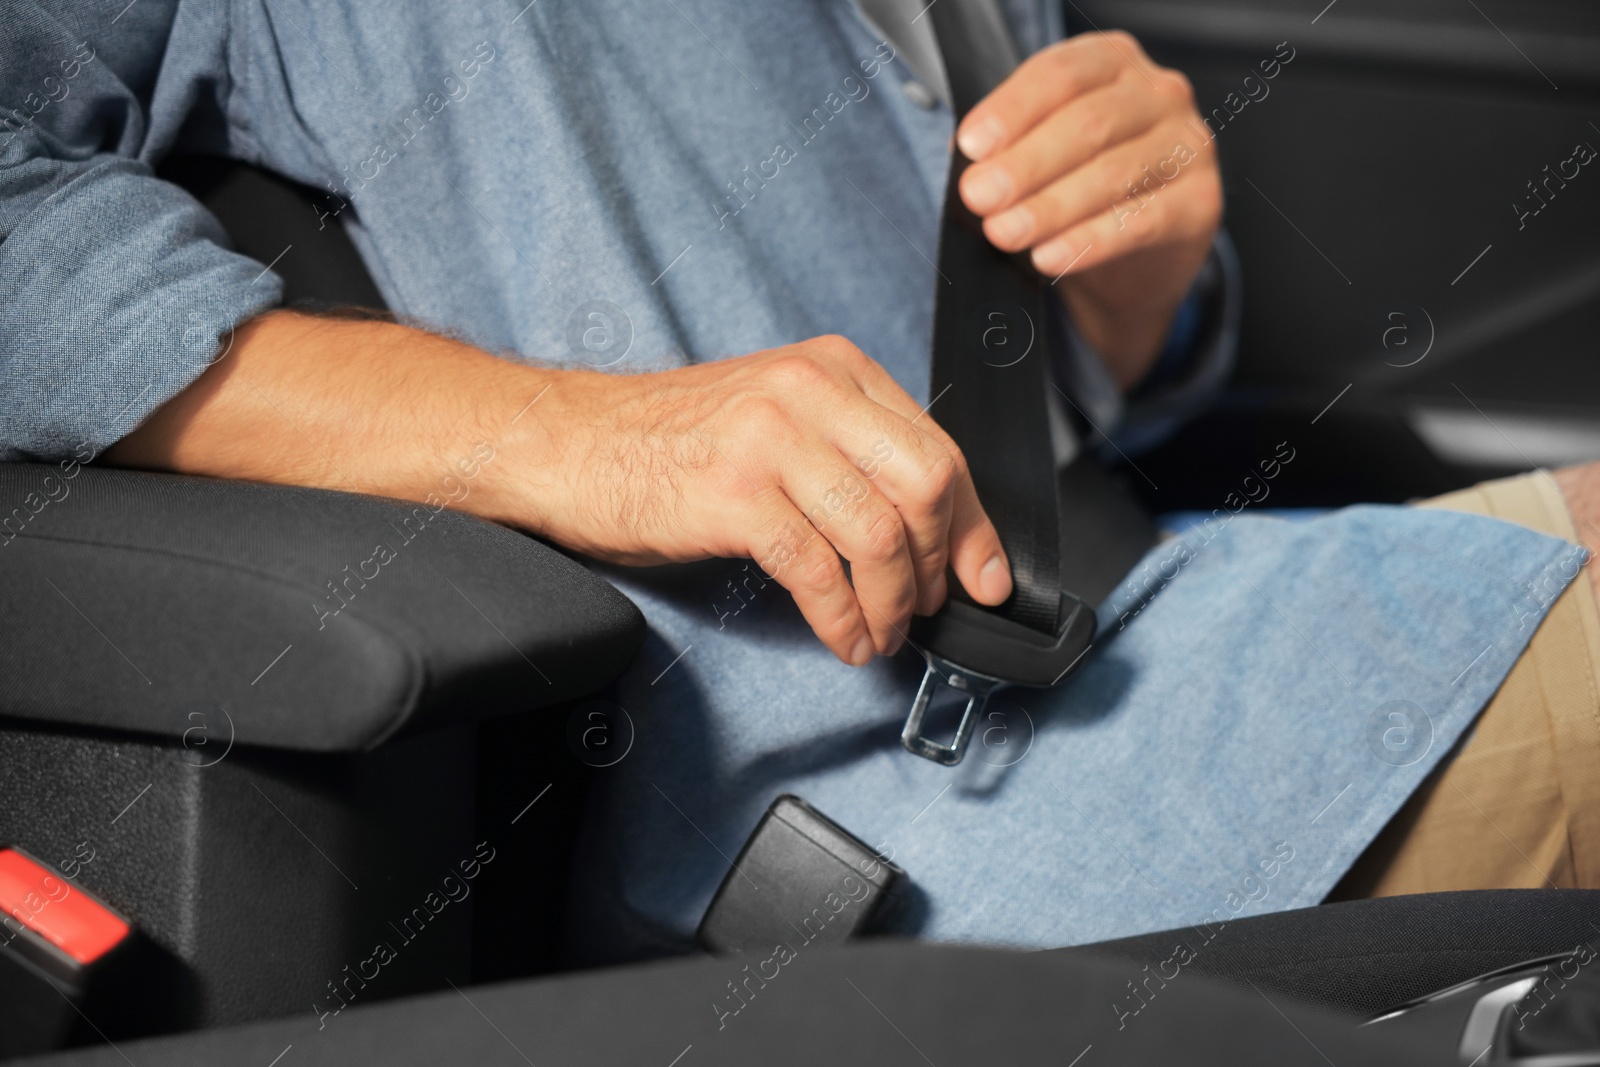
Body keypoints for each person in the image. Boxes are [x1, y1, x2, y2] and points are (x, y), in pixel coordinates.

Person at [2, 0, 1594, 962]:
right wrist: (578, 434)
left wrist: (1149, 264)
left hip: (1158, 608)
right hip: (907, 823)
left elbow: (1062, 399)